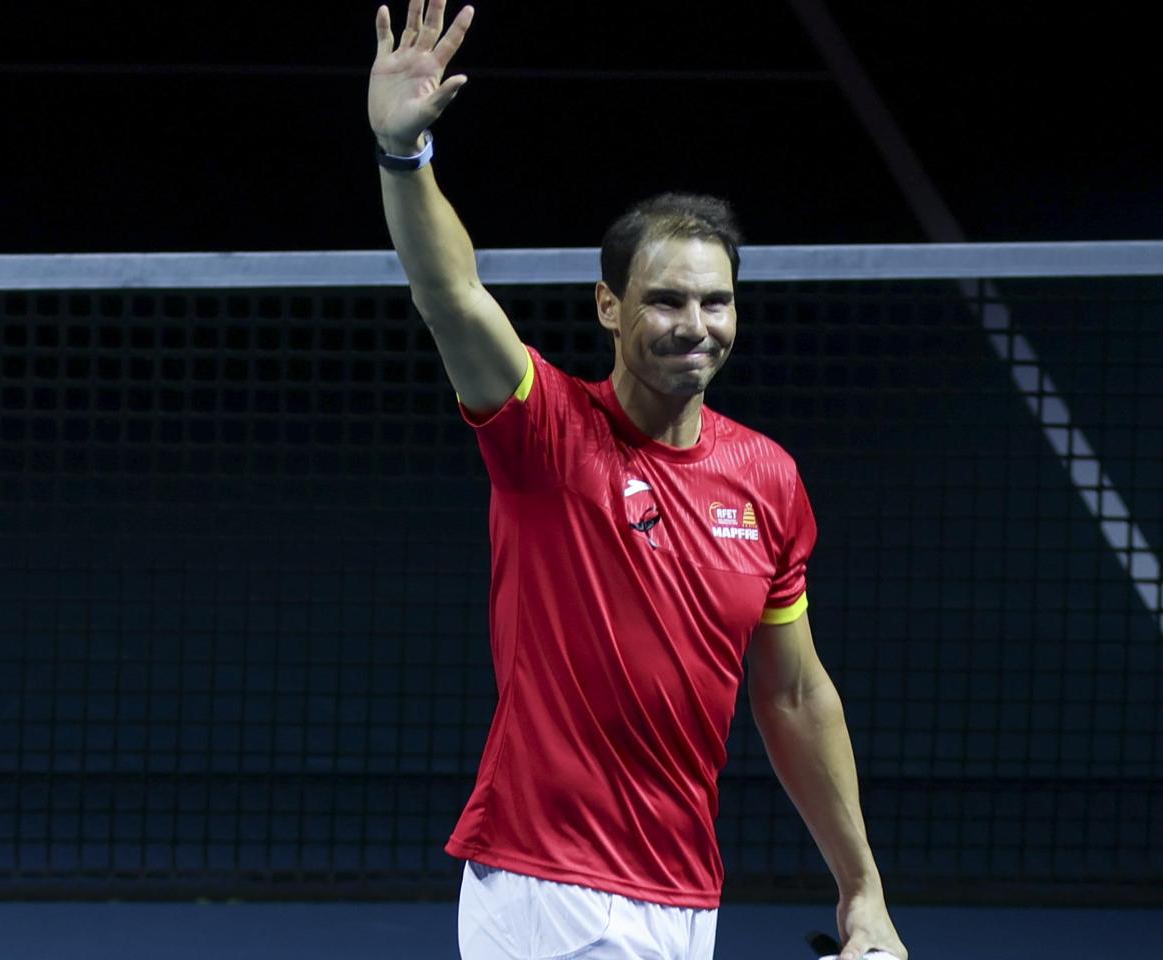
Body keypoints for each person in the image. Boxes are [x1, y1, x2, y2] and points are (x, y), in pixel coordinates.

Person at [366, 3, 910, 959]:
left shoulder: (767, 479)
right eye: (664, 299)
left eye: (715, 299)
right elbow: (449, 293)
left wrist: (861, 890)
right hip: (548, 882)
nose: (694, 323)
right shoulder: (546, 432)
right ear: (610, 306)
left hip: (684, 891)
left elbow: (791, 696)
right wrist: (403, 156)